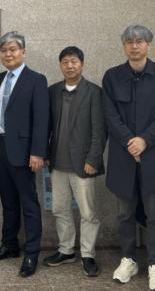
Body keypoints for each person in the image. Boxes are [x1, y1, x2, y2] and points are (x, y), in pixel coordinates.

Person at [103, 25, 155, 291]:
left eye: (140, 41)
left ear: (149, 45)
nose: (135, 46)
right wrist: (129, 142)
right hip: (123, 156)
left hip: (153, 154)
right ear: (124, 46)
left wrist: (144, 140)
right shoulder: (112, 77)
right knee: (125, 213)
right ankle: (129, 259)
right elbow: (110, 115)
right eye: (130, 42)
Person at [0, 32, 49, 278]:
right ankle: (9, 244)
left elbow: (42, 119)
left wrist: (38, 152)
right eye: (4, 51)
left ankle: (31, 253)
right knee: (8, 202)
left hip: (24, 152)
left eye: (13, 49)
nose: (8, 54)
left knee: (28, 204)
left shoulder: (36, 80)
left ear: (23, 52)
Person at [44, 46, 107, 277]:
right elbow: (46, 126)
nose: (70, 66)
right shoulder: (53, 91)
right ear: (60, 65)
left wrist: (93, 159)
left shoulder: (94, 92)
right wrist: (45, 153)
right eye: (65, 62)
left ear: (82, 64)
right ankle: (66, 250)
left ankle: (88, 254)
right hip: (57, 164)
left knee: (88, 212)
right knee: (60, 209)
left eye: (74, 61)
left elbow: (100, 130)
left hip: (83, 163)